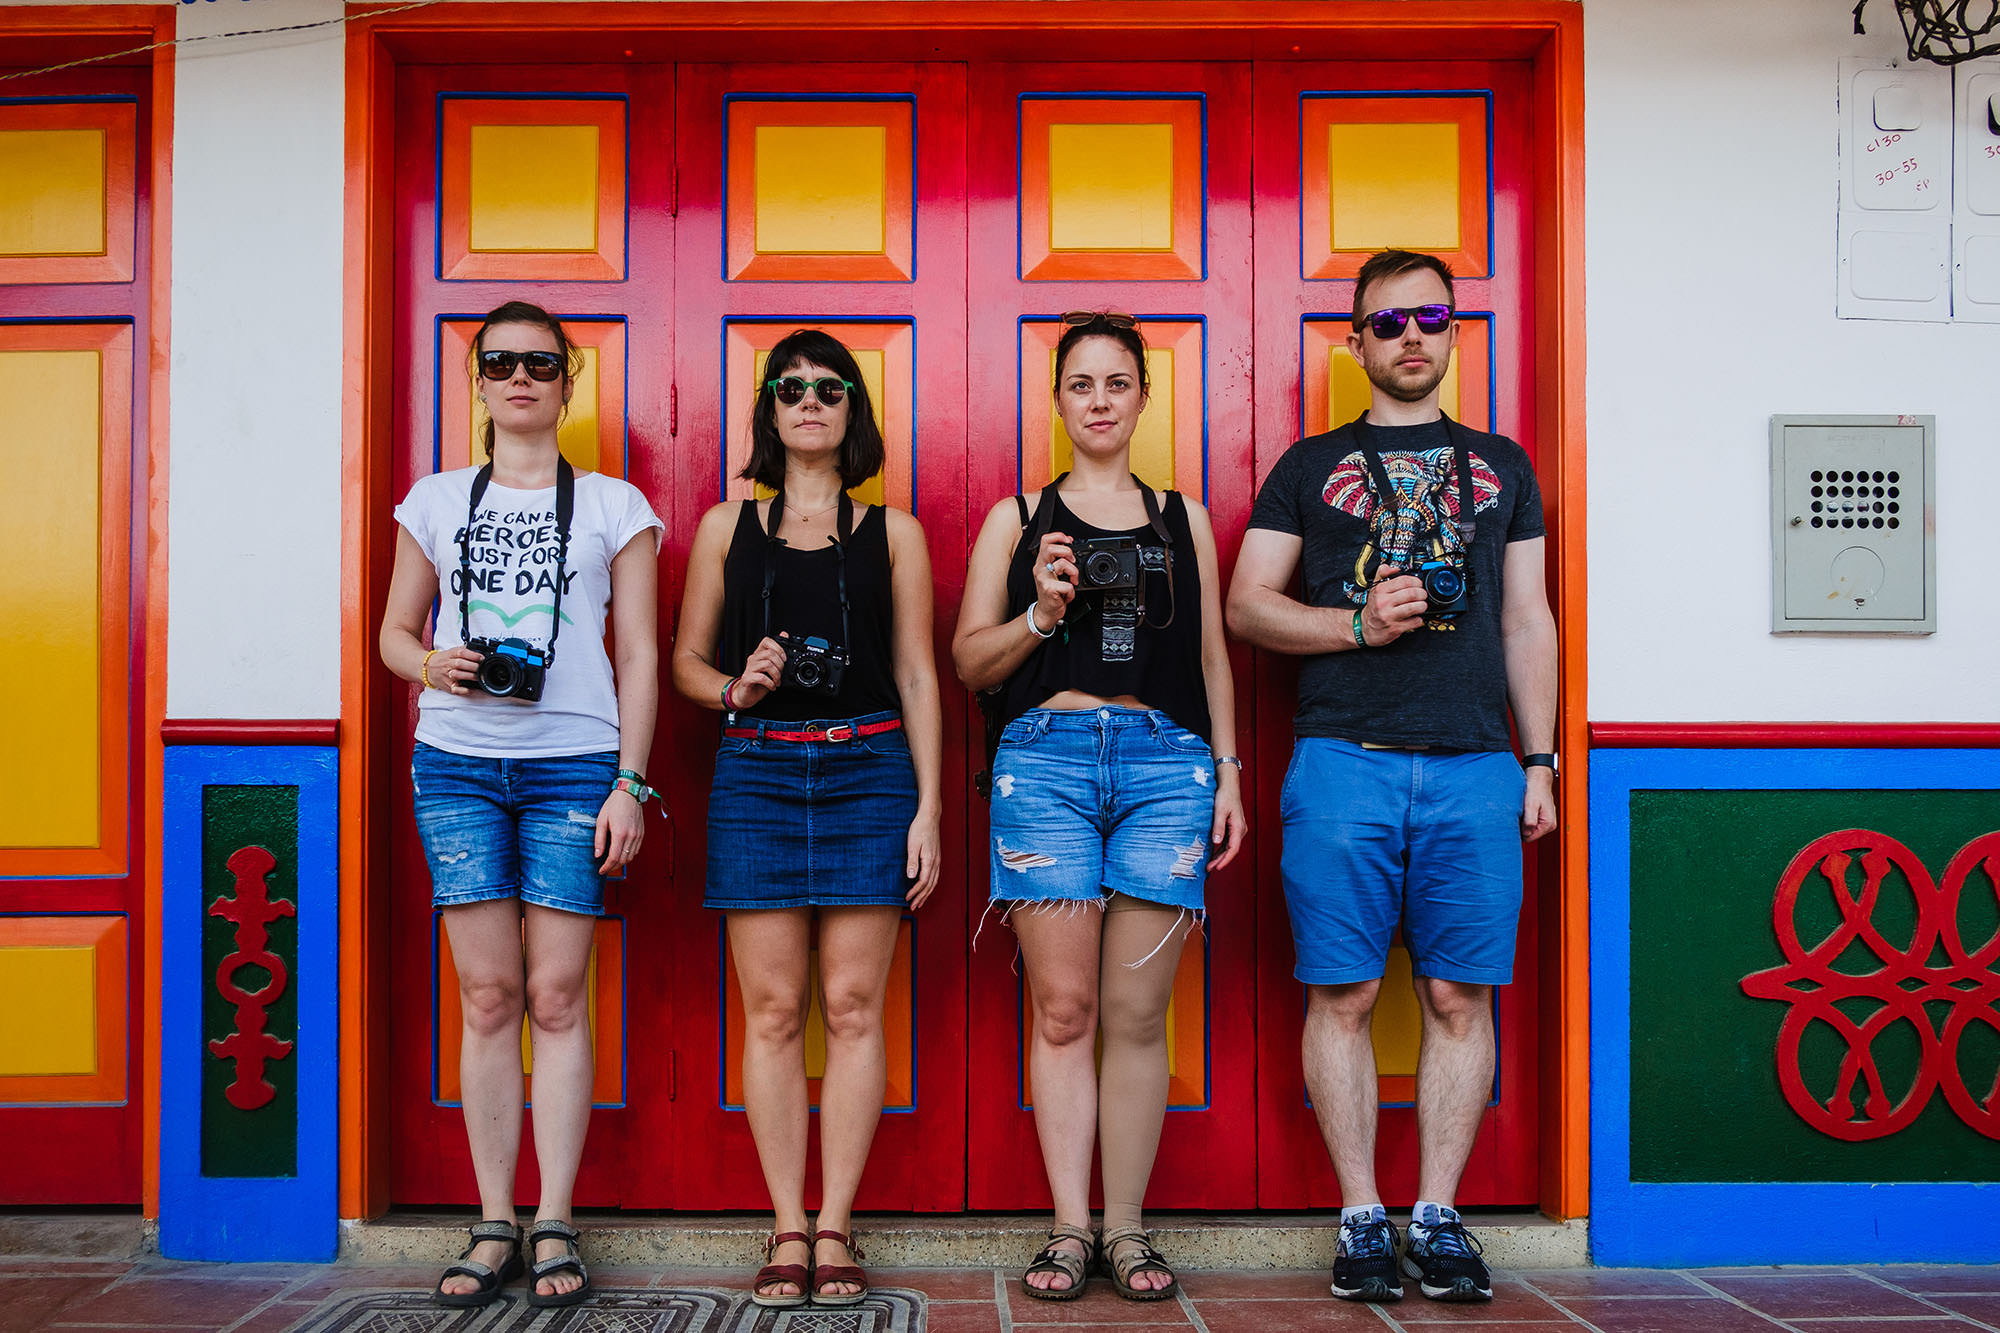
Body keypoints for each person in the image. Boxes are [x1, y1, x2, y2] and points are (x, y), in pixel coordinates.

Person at [1226, 249, 1558, 1304]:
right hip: (1341, 763)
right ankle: (1361, 1213)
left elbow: (1524, 617)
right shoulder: (1305, 463)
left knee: (1460, 994)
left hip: (1474, 766)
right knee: (1345, 991)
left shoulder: (1503, 463)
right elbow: (1245, 604)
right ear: (1356, 340)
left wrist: (1539, 757)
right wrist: (1354, 623)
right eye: (1387, 321)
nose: (1409, 336)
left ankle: (1440, 1214)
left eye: (1429, 317)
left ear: (1453, 332)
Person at [953, 311, 1246, 1303]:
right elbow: (967, 663)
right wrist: (1039, 612)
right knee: (1065, 1008)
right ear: (1057, 399)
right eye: (1079, 383)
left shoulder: (1181, 517)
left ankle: (1125, 1227)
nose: (1098, 401)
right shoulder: (1017, 516)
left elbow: (1209, 657)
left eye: (1116, 382)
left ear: (1141, 397)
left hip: (1168, 767)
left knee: (1134, 1010)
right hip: (1042, 765)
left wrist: (1230, 770)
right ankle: (1069, 1228)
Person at [380, 300, 663, 1309]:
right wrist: (431, 661)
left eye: (541, 363)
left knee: (555, 992)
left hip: (572, 765)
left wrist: (630, 781)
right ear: (476, 379)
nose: (520, 378)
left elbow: (636, 653)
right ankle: (493, 1216)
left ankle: (554, 1218)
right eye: (498, 362)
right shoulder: (436, 498)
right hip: (455, 762)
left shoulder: (613, 506)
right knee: (487, 996)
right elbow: (390, 634)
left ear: (567, 381)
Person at [673, 328, 943, 1309]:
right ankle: (787, 1222)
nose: (809, 400)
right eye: (789, 387)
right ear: (769, 410)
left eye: (829, 388)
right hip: (754, 774)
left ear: (851, 411)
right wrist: (731, 690)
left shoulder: (893, 532)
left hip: (869, 769)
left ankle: (837, 1225)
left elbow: (915, 670)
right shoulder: (724, 527)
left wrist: (929, 807)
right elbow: (682, 661)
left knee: (856, 1006)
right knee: (775, 1010)